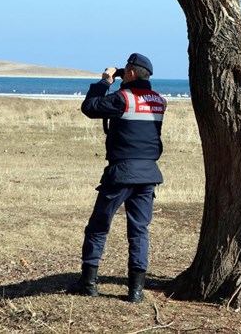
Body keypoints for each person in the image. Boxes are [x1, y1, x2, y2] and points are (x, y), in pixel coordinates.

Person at [67, 53, 167, 303]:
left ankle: (88, 282)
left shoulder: (123, 98)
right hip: (148, 174)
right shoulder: (159, 101)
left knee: (98, 227)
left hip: (121, 172)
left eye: (126, 70)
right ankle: (136, 291)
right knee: (139, 231)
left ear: (131, 74)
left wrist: (105, 81)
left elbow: (89, 108)